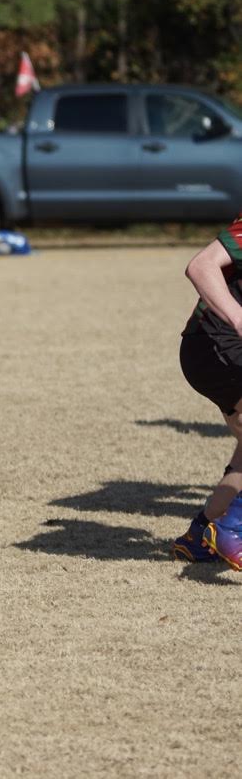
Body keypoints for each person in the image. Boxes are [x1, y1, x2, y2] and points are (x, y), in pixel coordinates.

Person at [173, 220, 242, 568]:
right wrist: (239, 317)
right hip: (215, 342)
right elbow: (200, 266)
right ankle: (232, 529)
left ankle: (200, 537)